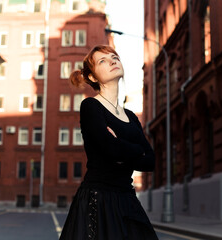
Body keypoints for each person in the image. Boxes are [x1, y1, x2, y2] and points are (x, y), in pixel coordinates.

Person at [59, 45, 158, 240]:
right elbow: (111, 149)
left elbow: (151, 162)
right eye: (102, 61)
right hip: (98, 200)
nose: (113, 61)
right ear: (94, 77)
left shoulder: (131, 116)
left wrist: (120, 148)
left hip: (127, 199)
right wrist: (134, 151)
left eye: (115, 57)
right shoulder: (90, 106)